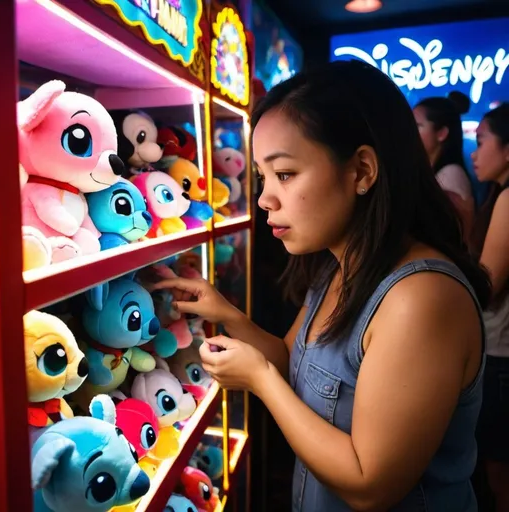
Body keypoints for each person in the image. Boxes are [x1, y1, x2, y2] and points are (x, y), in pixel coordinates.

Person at [151, 60, 490, 512]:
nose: (264, 198)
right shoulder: (339, 266)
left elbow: (370, 483)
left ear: (362, 171)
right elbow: (294, 360)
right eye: (261, 178)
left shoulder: (421, 297)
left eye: (285, 174)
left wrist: (260, 380)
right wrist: (225, 314)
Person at [471, 103, 509, 512]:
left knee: (500, 478)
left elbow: (489, 286)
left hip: (501, 354)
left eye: (481, 142)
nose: (475, 153)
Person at [413, 92, 475, 242]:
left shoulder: (451, 176)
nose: (409, 133)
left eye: (418, 126)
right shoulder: (440, 173)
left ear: (441, 133)